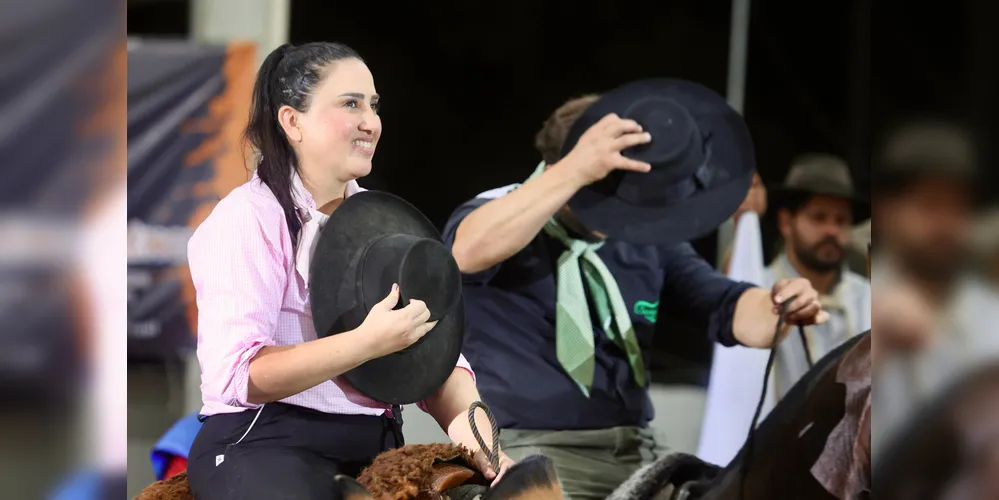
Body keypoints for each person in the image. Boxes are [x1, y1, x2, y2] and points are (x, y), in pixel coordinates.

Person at [443, 82, 829, 499]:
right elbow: (464, 253)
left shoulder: (642, 237)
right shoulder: (500, 211)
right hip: (530, 453)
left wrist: (780, 307)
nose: (628, 201)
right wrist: (577, 169)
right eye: (609, 181)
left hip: (638, 449)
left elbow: (727, 306)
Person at [184, 42, 511, 500]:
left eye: (374, 105)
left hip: (375, 446)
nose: (370, 121)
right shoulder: (248, 217)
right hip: (263, 442)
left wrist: (489, 452)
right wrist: (366, 342)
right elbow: (239, 375)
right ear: (291, 121)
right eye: (351, 103)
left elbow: (441, 365)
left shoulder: (387, 224)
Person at [871, 119, 999, 459]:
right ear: (886, 212)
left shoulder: (991, 314)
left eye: (957, 206)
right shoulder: (852, 304)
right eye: (929, 205)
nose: (945, 224)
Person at [763, 154, 871, 400]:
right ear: (785, 223)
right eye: (819, 217)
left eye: (841, 220)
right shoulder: (758, 290)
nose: (831, 230)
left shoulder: (869, 297)